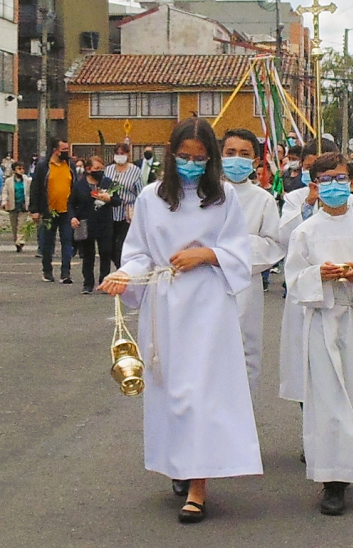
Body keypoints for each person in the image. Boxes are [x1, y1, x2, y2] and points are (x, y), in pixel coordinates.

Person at [98, 117, 262, 524]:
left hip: (207, 305)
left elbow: (240, 252)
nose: (192, 164)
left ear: (211, 160)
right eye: (184, 157)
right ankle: (180, 462)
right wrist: (124, 275)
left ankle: (198, 487)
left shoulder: (224, 197)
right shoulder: (152, 197)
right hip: (165, 306)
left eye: (200, 159)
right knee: (171, 390)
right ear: (171, 155)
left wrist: (205, 254)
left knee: (201, 393)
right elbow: (137, 252)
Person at [284, 151, 353, 516]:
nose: (335, 185)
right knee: (327, 398)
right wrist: (319, 275)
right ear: (314, 186)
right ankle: (331, 482)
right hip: (320, 321)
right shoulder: (304, 231)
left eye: (341, 178)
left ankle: (351, 468)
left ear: (352, 182)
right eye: (326, 179)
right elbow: (293, 279)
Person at [278, 139, 353, 407]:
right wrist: (308, 204)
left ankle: (348, 433)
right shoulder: (293, 198)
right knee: (308, 365)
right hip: (308, 296)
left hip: (343, 297)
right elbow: (284, 238)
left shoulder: (351, 202)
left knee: (346, 366)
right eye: (315, 170)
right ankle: (312, 432)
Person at [221, 128, 284, 394]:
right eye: (230, 153)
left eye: (244, 154)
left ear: (256, 161)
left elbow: (273, 244)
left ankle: (242, 419)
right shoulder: (204, 194)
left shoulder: (263, 200)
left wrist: (229, 250)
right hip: (204, 281)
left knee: (245, 349)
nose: (237, 159)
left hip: (246, 284)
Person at [68, 156, 121, 294]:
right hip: (86, 223)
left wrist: (108, 198)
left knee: (105, 252)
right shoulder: (80, 185)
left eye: (101, 169)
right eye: (96, 169)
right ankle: (88, 283)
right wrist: (73, 217)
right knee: (88, 254)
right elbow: (71, 203)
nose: (99, 171)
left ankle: (104, 281)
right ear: (88, 169)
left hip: (105, 223)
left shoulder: (107, 182)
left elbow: (117, 201)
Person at [29, 137, 76, 283]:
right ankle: (47, 270)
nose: (66, 153)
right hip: (49, 211)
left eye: (67, 150)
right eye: (63, 150)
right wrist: (34, 210)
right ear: (55, 150)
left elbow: (75, 186)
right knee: (47, 242)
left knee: (67, 241)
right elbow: (35, 188)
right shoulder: (44, 166)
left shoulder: (70, 165)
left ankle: (65, 272)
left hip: (67, 211)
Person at [106, 142, 143, 269]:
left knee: (120, 246)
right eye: (117, 153)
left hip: (127, 214)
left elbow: (140, 193)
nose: (120, 156)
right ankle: (119, 266)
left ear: (128, 154)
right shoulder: (109, 170)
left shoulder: (135, 171)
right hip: (110, 212)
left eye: (122, 153)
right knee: (109, 246)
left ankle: (123, 269)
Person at [1, 161, 31, 252]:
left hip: (23, 205)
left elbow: (31, 192)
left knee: (21, 225)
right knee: (14, 226)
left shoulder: (27, 180)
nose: (21, 171)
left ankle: (20, 241)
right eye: (19, 169)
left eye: (22, 169)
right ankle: (16, 241)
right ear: (14, 170)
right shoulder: (9, 181)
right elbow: (5, 192)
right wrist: (4, 201)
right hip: (13, 205)